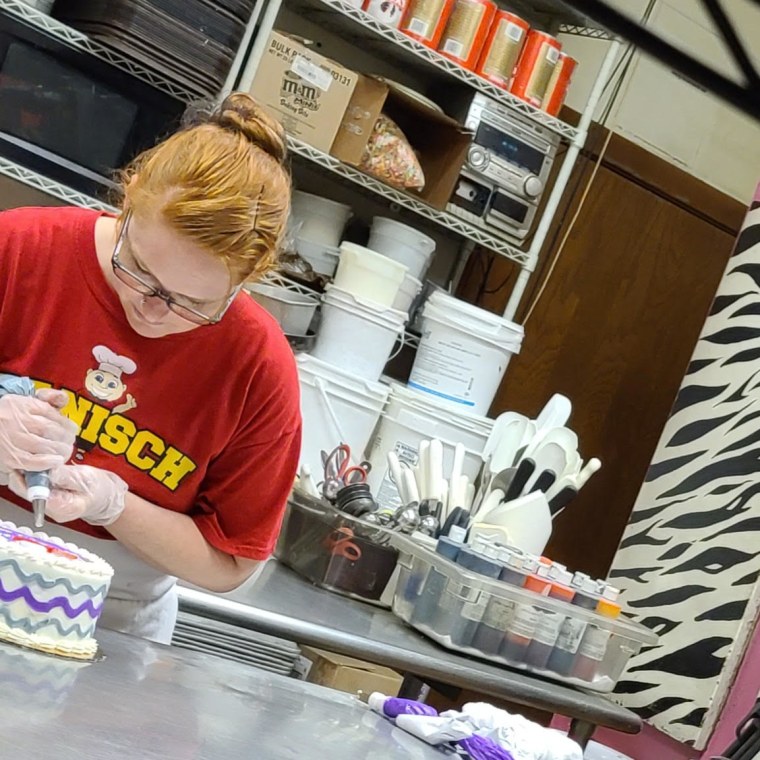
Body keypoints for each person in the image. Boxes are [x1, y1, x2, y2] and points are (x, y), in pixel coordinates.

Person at [0, 93, 301, 644]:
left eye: (193, 303)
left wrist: (113, 503)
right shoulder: (20, 248)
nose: (151, 311)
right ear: (128, 200)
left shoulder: (259, 368)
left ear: (246, 281)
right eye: (137, 268)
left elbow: (230, 563)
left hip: (109, 624)